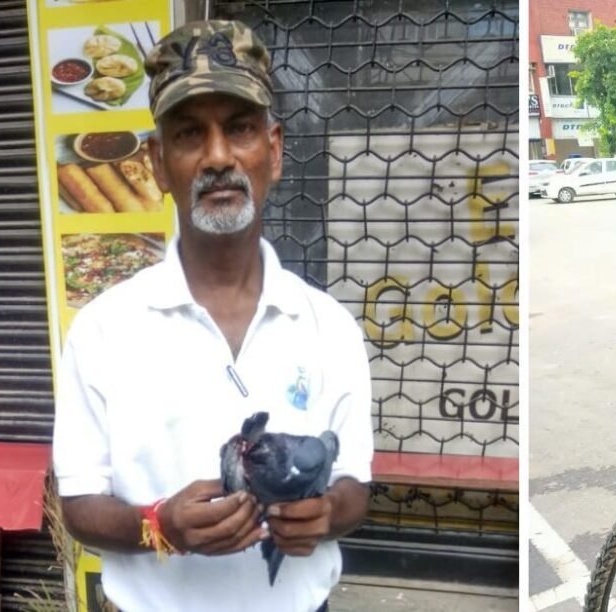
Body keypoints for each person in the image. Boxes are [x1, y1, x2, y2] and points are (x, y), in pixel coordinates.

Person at [52, 21, 374, 612]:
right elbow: (78, 505)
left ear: (273, 151)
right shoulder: (103, 329)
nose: (218, 156)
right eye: (189, 134)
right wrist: (159, 526)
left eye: (240, 128)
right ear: (157, 163)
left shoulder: (329, 326)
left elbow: (355, 485)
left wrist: (325, 514)